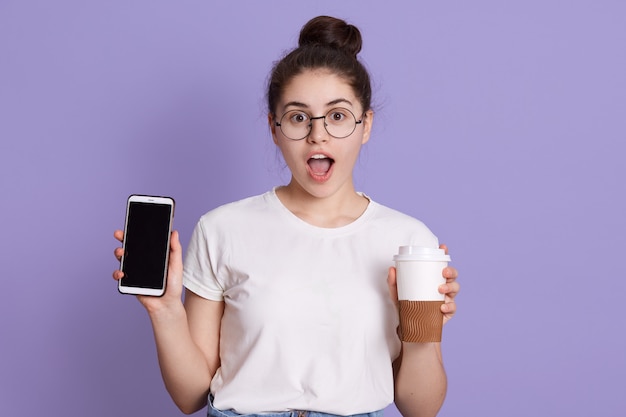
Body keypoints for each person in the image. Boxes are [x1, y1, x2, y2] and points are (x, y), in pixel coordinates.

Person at [113, 15, 460, 417]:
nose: (318, 134)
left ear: (365, 125)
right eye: (298, 117)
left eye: (337, 116)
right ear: (274, 129)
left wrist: (422, 333)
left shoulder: (409, 242)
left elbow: (422, 409)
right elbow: (190, 395)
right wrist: (166, 311)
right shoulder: (222, 229)